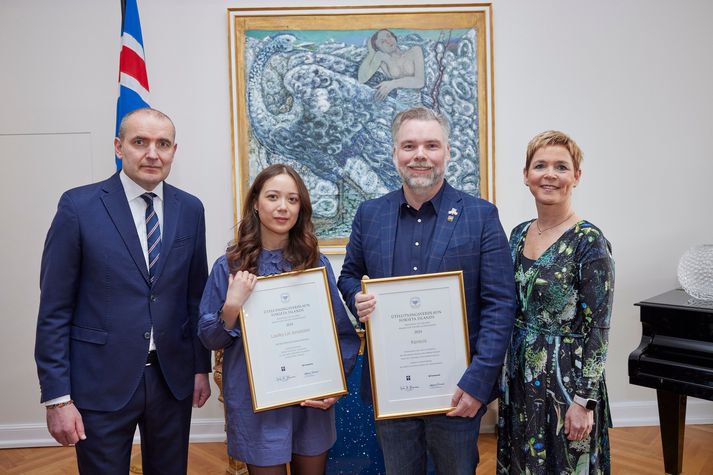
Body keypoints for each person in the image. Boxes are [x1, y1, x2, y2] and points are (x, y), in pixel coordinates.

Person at [338, 106, 517, 474]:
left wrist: (478, 383)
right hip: (393, 386)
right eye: (409, 146)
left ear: (447, 152)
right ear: (395, 154)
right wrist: (358, 298)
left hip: (457, 389)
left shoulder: (481, 216)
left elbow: (500, 304)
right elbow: (349, 276)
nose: (420, 155)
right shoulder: (370, 214)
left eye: (431, 145)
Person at [34, 107, 211, 473]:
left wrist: (199, 369)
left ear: (174, 151)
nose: (152, 153)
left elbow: (195, 296)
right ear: (119, 147)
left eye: (163, 144)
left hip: (171, 380)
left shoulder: (191, 209)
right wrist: (57, 398)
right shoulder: (78, 207)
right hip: (99, 380)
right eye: (140, 142)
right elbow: (54, 310)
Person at [198, 164, 360, 475]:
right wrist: (232, 306)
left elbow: (342, 333)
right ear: (256, 203)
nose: (283, 207)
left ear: (302, 208)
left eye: (293, 199)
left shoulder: (315, 264)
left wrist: (333, 384)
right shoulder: (229, 266)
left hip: (310, 401)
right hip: (256, 402)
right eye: (273, 197)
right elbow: (209, 338)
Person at [497, 130, 614, 474]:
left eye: (561, 167)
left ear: (576, 177)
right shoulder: (517, 234)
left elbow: (599, 329)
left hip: (569, 384)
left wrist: (584, 402)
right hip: (520, 377)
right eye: (540, 165)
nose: (549, 174)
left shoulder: (589, 242)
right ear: (526, 175)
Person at [358, 29, 425, 102]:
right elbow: (361, 79)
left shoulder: (415, 51)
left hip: (417, 102)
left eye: (389, 36)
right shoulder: (383, 59)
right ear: (378, 48)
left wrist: (393, 83)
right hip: (399, 102)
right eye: (382, 41)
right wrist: (371, 53)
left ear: (394, 37)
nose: (388, 41)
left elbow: (420, 82)